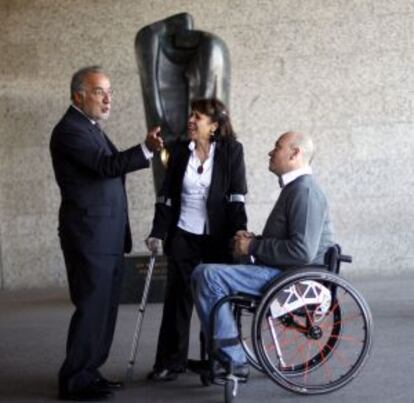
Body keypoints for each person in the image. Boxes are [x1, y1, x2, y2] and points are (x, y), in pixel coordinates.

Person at [50, 65, 163, 401]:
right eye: (100, 91)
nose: (108, 98)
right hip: (89, 236)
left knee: (104, 309)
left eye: (110, 91)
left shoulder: (90, 127)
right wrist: (144, 150)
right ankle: (74, 381)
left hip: (105, 236)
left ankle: (89, 372)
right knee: (91, 308)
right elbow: (105, 166)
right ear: (78, 95)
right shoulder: (71, 130)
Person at [191, 131, 335, 378]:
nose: (271, 152)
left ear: (294, 153)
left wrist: (253, 247)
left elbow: (302, 251)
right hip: (283, 273)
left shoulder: (305, 192)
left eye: (277, 146)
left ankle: (232, 359)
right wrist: (252, 241)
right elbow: (289, 242)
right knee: (208, 273)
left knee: (207, 275)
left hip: (293, 279)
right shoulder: (295, 189)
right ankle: (224, 356)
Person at [145, 98, 248, 381]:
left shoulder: (231, 152)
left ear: (213, 126)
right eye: (191, 115)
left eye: (198, 117)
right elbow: (165, 197)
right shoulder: (179, 151)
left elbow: (237, 196)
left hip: (218, 235)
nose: (191, 120)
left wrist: (240, 231)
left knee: (216, 300)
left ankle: (217, 362)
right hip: (183, 234)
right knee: (178, 297)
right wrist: (157, 232)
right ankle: (170, 362)